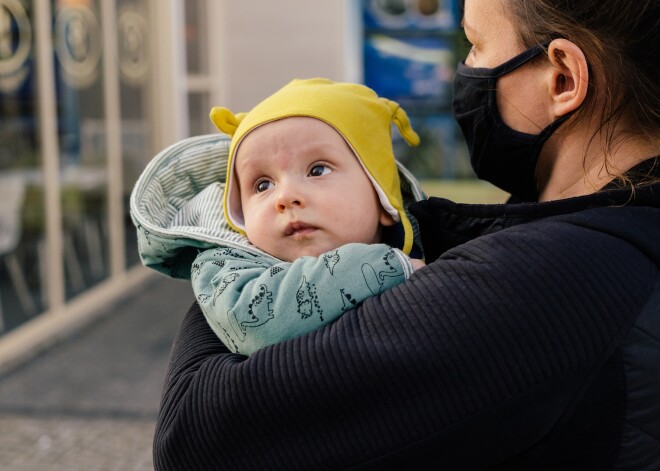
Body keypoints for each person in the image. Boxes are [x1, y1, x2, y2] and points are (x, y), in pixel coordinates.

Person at [149, 0, 659, 468]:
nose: (468, 70)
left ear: (563, 79)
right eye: (261, 185)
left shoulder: (551, 278)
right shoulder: (593, 226)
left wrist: (230, 251)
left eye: (476, 45)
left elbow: (194, 437)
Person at [194, 79, 425, 355]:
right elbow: (253, 321)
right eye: (263, 185)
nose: (286, 197)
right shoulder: (225, 269)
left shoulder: (441, 243)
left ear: (382, 199)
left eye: (317, 171)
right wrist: (389, 267)